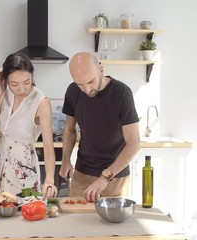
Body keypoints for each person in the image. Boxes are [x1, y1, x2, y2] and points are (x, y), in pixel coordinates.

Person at [59, 52, 141, 202]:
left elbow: (134, 143)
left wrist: (105, 177)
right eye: (80, 84)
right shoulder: (72, 91)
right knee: (76, 223)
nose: (86, 89)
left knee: (111, 225)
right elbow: (69, 130)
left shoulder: (122, 93)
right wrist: (65, 160)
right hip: (81, 174)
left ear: (101, 71)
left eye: (90, 82)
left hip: (114, 177)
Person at [0, 52, 57, 199]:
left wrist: (49, 180)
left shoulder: (41, 102)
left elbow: (48, 146)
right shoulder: (5, 93)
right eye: (14, 84)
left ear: (32, 77)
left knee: (23, 213)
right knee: (0, 211)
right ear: (6, 80)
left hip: (24, 169)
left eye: (27, 82)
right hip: (1, 163)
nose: (21, 89)